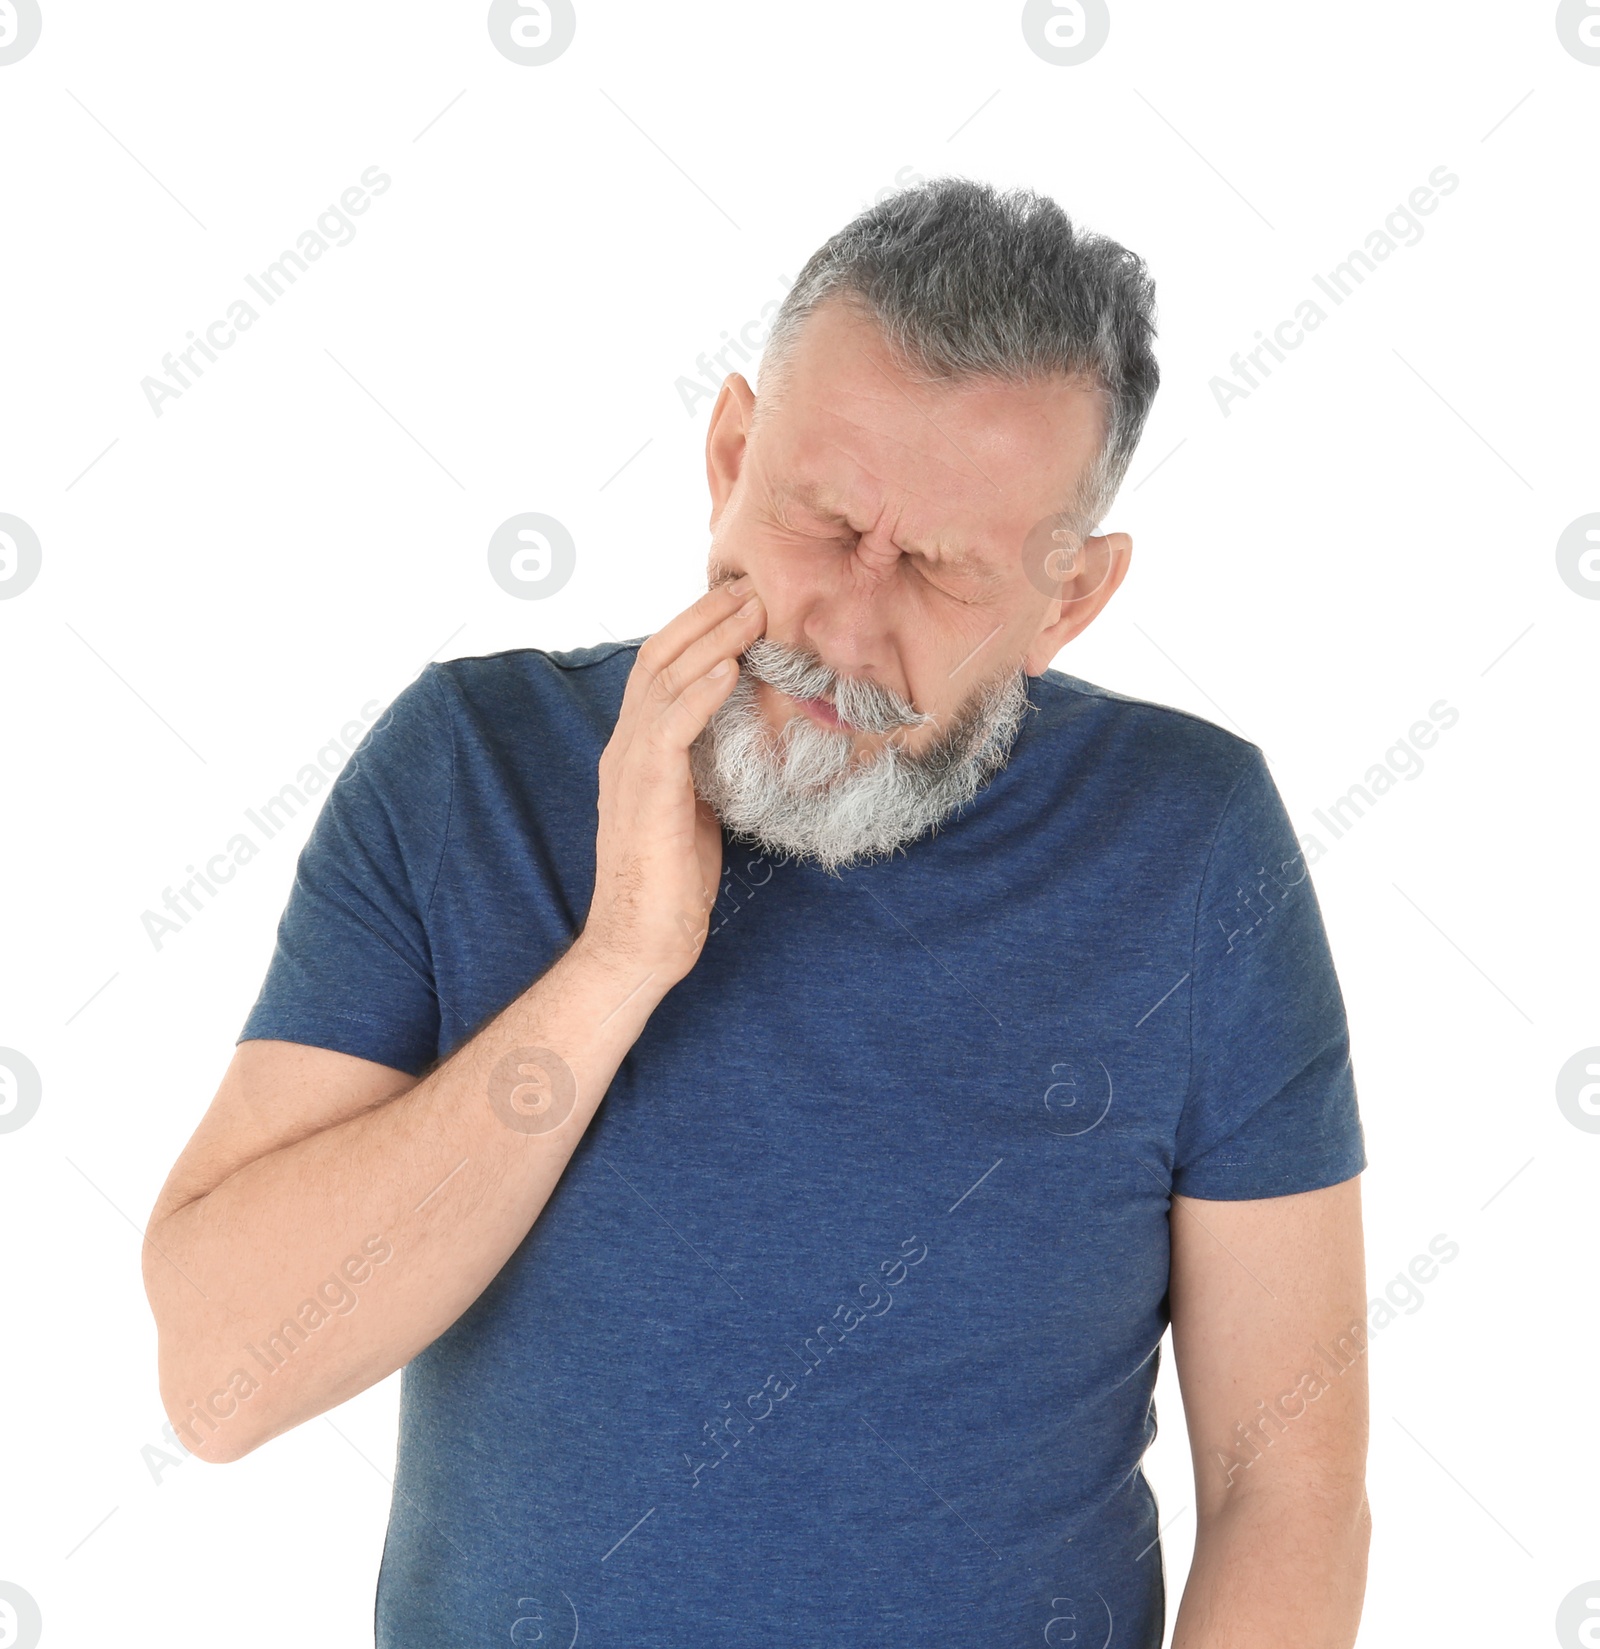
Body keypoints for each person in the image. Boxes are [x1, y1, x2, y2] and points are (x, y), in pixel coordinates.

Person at [143, 177, 1370, 1648]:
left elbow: (1288, 1487)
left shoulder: (1192, 843)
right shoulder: (464, 768)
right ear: (730, 453)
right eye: (823, 517)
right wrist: (619, 963)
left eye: (937, 570)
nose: (846, 622)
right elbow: (219, 1378)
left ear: (1069, 600)